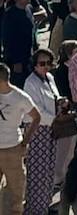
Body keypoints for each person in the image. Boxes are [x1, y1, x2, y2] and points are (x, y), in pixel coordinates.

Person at [23, 48, 63, 215]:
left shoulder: (50, 78)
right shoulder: (30, 83)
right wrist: (54, 118)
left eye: (48, 63)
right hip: (37, 130)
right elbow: (36, 110)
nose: (45, 66)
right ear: (34, 65)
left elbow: (55, 98)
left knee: (49, 170)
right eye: (41, 63)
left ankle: (44, 206)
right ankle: (34, 210)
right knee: (38, 173)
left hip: (52, 129)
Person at [0, 62, 38, 215]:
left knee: (16, 191)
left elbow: (36, 117)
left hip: (12, 149)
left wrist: (25, 142)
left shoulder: (20, 97)